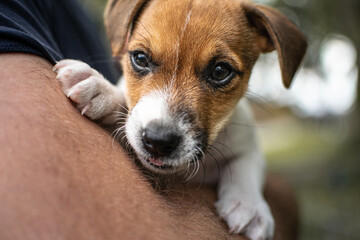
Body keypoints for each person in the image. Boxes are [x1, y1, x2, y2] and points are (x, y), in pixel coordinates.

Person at [0, 0, 298, 239]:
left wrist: (245, 191)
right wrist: (112, 100)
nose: (161, 126)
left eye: (219, 72)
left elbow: (247, 155)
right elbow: (120, 100)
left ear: (265, 40)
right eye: (142, 60)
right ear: (124, 37)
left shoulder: (239, 138)